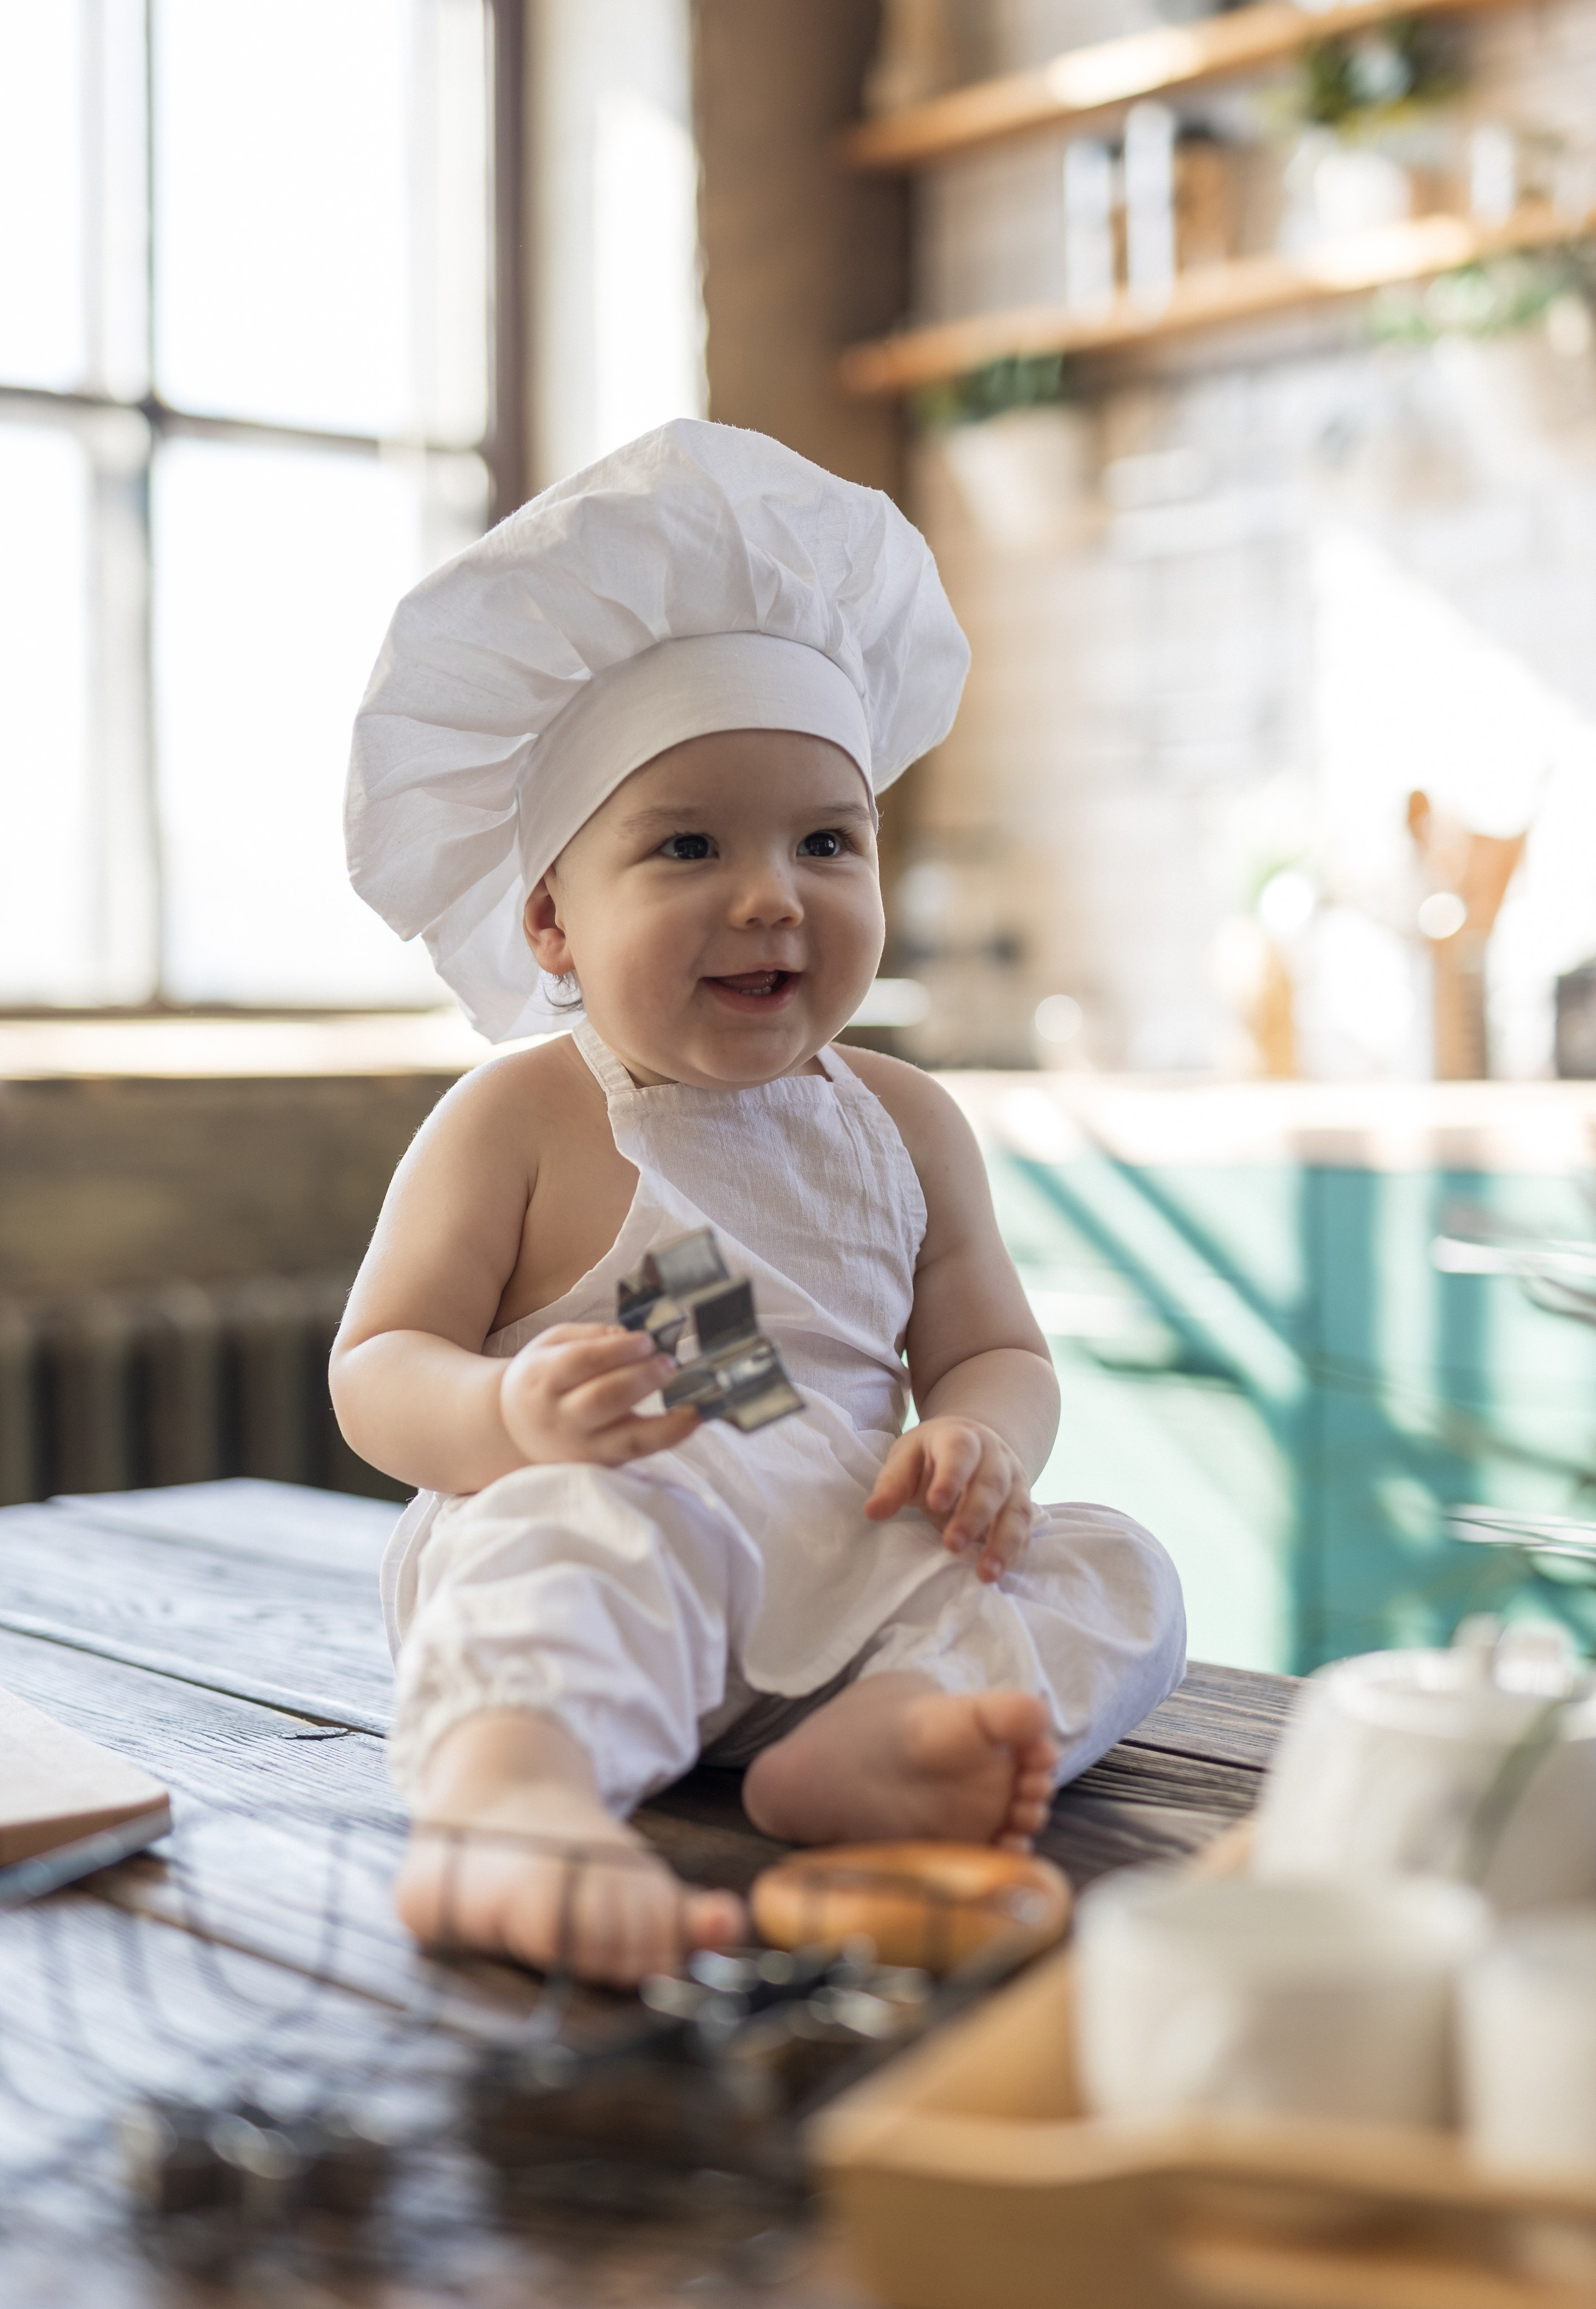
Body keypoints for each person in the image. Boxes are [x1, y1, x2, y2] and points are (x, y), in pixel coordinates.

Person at [332, 420, 1185, 1987]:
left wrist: (982, 1437)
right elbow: (375, 1365)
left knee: (1115, 1567)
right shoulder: (519, 1119)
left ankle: (884, 1742)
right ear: (550, 921)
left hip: (848, 1567)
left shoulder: (904, 1123)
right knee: (556, 1536)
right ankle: (509, 1792)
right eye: (686, 845)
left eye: (825, 841)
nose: (771, 893)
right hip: (623, 1556)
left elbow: (995, 1348)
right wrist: (505, 1413)